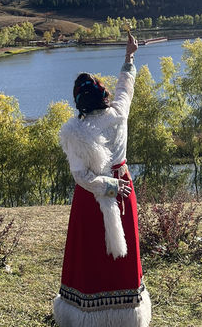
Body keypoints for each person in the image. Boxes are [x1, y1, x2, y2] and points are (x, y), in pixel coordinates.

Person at [53, 31, 151, 327]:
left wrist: (103, 186)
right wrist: (129, 56)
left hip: (91, 198)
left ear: (80, 103)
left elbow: (81, 175)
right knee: (123, 255)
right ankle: (125, 313)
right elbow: (126, 86)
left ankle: (85, 314)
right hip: (123, 187)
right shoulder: (119, 114)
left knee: (89, 254)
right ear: (102, 94)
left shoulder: (75, 134)